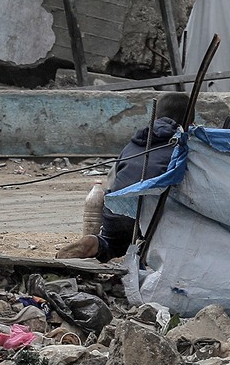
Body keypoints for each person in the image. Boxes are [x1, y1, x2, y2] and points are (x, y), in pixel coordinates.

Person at [56, 92, 191, 260]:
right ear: (190, 118)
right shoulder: (184, 146)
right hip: (149, 219)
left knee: (114, 244)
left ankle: (97, 243)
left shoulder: (136, 141)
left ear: (156, 115)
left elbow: (112, 181)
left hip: (115, 211)